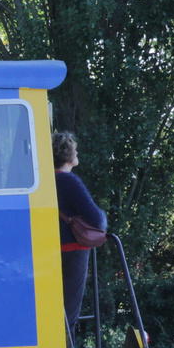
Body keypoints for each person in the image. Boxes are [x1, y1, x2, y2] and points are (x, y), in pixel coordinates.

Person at [52, 131, 106, 330]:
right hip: (74, 252)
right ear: (68, 154)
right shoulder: (69, 181)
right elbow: (98, 221)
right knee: (70, 314)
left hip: (53, 250)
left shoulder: (45, 183)